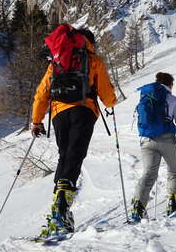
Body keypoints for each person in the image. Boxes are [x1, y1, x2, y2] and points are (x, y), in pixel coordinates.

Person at [31, 27, 117, 236]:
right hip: (83, 109)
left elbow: (42, 93)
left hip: (59, 113)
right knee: (75, 155)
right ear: (90, 42)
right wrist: (111, 101)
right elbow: (107, 95)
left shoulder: (57, 62)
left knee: (65, 155)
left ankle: (58, 204)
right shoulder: (93, 59)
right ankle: (62, 207)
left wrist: (36, 121)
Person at [131, 72, 176, 221]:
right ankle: (173, 204)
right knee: (174, 172)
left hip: (146, 140)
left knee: (149, 174)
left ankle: (138, 207)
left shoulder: (146, 96)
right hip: (167, 140)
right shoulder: (173, 99)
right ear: (170, 84)